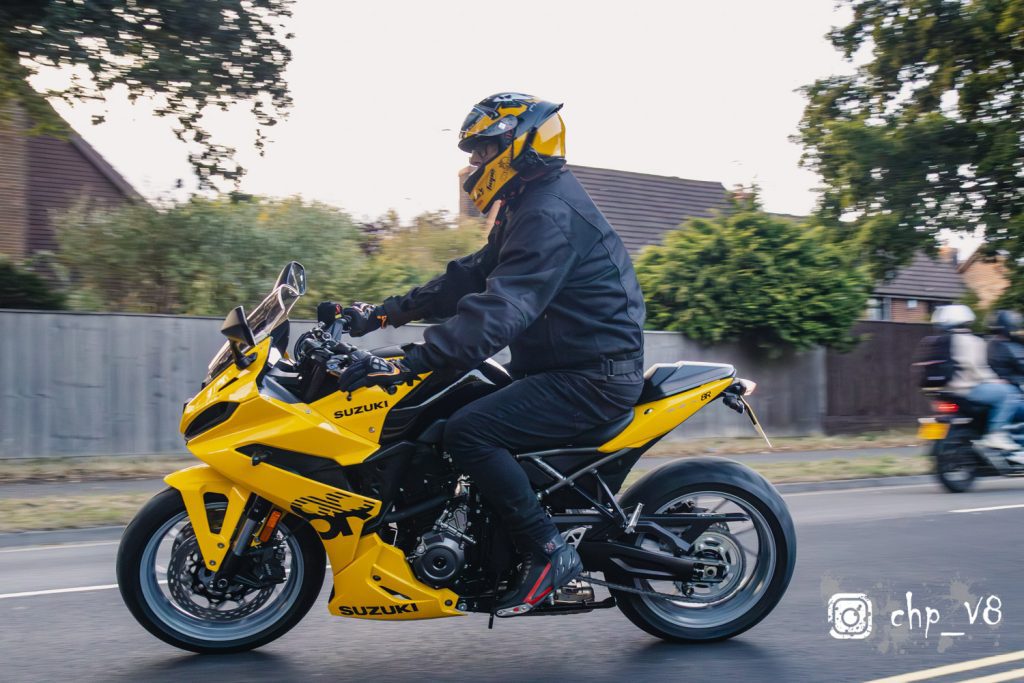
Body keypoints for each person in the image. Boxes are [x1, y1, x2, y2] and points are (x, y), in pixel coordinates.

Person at [317, 93, 646, 616]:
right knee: (444, 407)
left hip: (590, 378)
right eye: (472, 152)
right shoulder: (528, 203)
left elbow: (503, 308)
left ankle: (548, 553)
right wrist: (382, 314)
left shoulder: (551, 213)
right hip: (561, 368)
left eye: (482, 150)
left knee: (469, 430)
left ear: (520, 145)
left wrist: (409, 360)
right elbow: (471, 277)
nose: (473, 164)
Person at [934, 305, 1023, 455]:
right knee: (1009, 393)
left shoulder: (940, 341)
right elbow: (978, 368)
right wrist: (995, 380)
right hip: (969, 389)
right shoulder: (972, 341)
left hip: (949, 391)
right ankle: (996, 434)